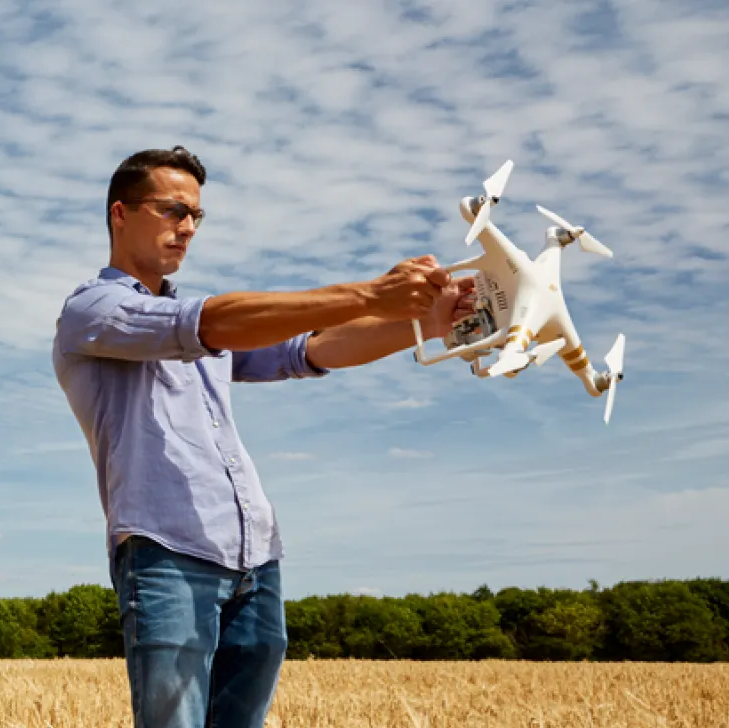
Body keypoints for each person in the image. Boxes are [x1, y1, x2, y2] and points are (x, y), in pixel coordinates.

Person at [50, 145, 476, 728]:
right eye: (174, 210)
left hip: (254, 555)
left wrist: (425, 324)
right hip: (167, 553)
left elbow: (313, 348)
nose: (188, 227)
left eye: (197, 216)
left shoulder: (207, 324)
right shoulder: (94, 309)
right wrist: (370, 293)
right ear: (120, 213)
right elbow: (213, 322)